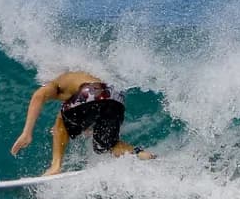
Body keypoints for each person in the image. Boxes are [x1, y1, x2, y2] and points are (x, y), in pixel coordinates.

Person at [10, 70, 156, 175]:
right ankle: (142, 154)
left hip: (92, 92)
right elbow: (96, 107)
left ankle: (55, 166)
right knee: (105, 145)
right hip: (115, 97)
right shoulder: (82, 76)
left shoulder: (57, 82)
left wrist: (26, 133)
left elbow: (38, 96)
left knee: (61, 122)